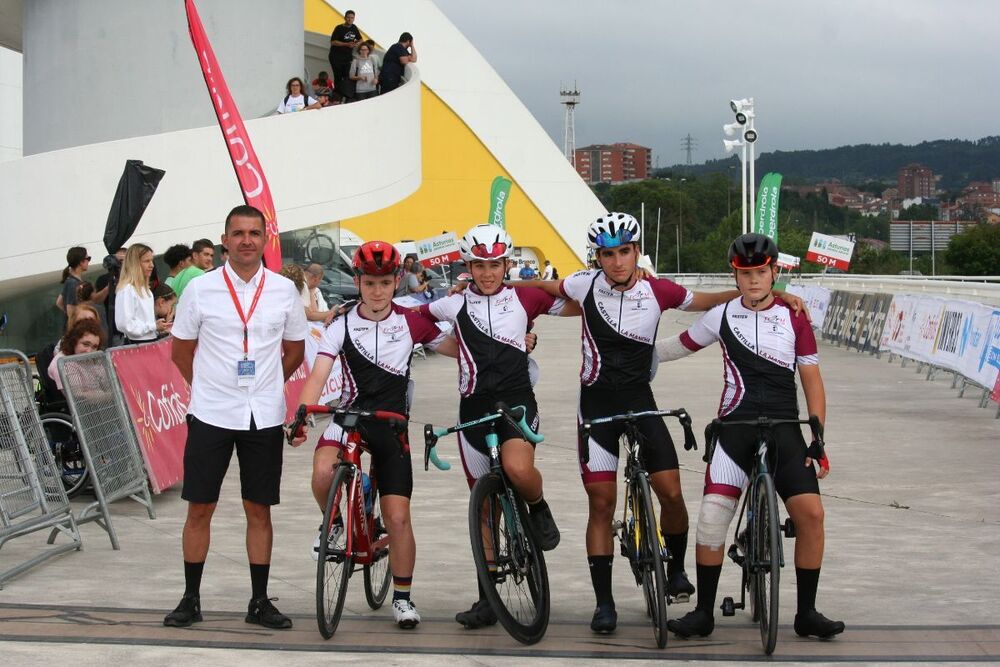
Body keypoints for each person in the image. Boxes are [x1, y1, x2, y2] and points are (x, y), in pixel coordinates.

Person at [517, 212, 756, 634]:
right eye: (607, 254)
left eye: (624, 252)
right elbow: (542, 288)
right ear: (598, 257)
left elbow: (704, 301)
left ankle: (677, 570)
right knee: (602, 504)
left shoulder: (657, 289)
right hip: (595, 406)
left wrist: (761, 292)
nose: (617, 262)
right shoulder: (584, 284)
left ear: (637, 252)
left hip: (640, 400)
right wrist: (494, 286)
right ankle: (604, 602)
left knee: (672, 492)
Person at [658, 233, 845, 641]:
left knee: (811, 514)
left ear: (774, 273)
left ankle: (807, 612)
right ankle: (704, 612)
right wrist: (635, 354)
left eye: (762, 272)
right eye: (746, 274)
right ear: (736, 276)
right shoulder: (721, 314)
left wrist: (819, 438)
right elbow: (680, 346)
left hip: (784, 428)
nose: (755, 280)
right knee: (711, 518)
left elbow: (811, 379)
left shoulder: (795, 315)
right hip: (734, 428)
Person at [418, 224, 574, 629]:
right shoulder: (451, 305)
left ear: (507, 263)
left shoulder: (525, 297)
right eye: (479, 264)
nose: (488, 272)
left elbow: (580, 300)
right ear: (468, 265)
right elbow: (410, 317)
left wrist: (629, 282)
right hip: (472, 408)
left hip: (516, 404)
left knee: (518, 469)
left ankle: (537, 507)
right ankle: (489, 595)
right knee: (484, 509)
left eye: (495, 264)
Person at [291, 241, 449, 629]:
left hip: (391, 424)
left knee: (397, 518)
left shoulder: (411, 321)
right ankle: (338, 525)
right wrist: (300, 415)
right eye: (368, 283)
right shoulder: (340, 324)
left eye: (384, 283)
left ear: (396, 281)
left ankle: (402, 597)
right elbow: (318, 375)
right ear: (357, 282)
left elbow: (459, 350)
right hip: (349, 418)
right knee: (323, 474)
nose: (377, 291)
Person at [163, 205, 307, 631]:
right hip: (210, 413)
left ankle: (259, 602)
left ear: (265, 240)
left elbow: (295, 349)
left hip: (262, 415)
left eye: (254, 233)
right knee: (200, 507)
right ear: (224, 240)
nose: (247, 240)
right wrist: (207, 386)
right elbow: (180, 350)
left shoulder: (283, 290)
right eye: (238, 233)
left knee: (258, 509)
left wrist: (265, 383)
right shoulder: (201, 290)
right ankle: (190, 599)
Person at [115, 244, 170, 344]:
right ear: (134, 264)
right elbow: (125, 324)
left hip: (148, 342)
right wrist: (153, 326)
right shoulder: (127, 289)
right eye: (146, 261)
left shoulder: (146, 290)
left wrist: (156, 328)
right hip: (135, 345)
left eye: (151, 260)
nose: (152, 265)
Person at [56, 246, 108, 329]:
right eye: (88, 258)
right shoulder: (73, 283)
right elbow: (71, 311)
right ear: (81, 262)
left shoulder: (71, 281)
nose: (88, 262)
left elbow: (59, 302)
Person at [48, 318, 106, 392]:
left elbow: (107, 385)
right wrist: (113, 396)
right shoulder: (62, 362)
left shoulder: (93, 359)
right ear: (74, 341)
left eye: (94, 347)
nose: (89, 351)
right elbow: (78, 397)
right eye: (85, 344)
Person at [328, 10, 363, 99]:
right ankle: (337, 97)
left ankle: (346, 95)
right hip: (336, 56)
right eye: (348, 17)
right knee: (338, 76)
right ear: (345, 18)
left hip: (347, 57)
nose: (350, 19)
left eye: (352, 18)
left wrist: (355, 44)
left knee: (348, 75)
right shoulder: (339, 28)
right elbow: (333, 42)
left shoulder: (354, 28)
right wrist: (346, 44)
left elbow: (361, 39)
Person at [96, 247, 127, 345]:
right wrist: (108, 287)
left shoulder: (133, 279)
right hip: (115, 332)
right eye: (117, 261)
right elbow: (97, 300)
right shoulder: (104, 279)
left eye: (122, 261)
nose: (119, 264)